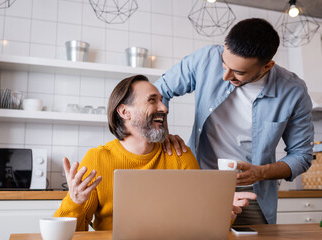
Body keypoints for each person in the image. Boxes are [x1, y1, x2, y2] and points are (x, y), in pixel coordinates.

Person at [154, 18, 314, 225]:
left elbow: (302, 156)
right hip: (198, 182)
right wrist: (162, 135)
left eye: (238, 72)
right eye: (224, 64)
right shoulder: (205, 59)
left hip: (251, 192)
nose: (225, 76)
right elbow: (158, 91)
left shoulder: (293, 91)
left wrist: (260, 172)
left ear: (267, 66)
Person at [54, 75, 256, 231]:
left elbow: (201, 228)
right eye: (152, 100)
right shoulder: (98, 158)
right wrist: (75, 201)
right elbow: (70, 233)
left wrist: (220, 215)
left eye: (162, 100)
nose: (164, 107)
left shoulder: (179, 155)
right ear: (124, 112)